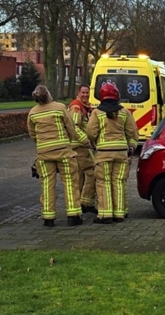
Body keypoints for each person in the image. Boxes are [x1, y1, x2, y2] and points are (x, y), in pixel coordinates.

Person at [27, 85, 83, 227]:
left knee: (47, 185)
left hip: (44, 154)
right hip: (63, 151)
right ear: (48, 94)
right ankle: (73, 215)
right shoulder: (59, 107)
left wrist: (42, 145)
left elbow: (33, 134)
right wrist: (75, 141)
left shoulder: (32, 113)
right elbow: (71, 127)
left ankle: (48, 217)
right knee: (70, 183)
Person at [87, 82, 139, 224]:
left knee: (104, 183)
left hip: (103, 154)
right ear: (117, 96)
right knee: (119, 182)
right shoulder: (125, 112)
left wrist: (95, 142)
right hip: (121, 153)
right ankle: (119, 213)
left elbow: (91, 133)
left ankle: (105, 214)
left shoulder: (97, 113)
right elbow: (133, 134)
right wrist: (132, 147)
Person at [68, 85, 97, 214]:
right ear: (78, 93)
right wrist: (86, 140)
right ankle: (86, 202)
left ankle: (77, 204)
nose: (85, 95)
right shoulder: (76, 108)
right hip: (80, 147)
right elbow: (74, 127)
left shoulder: (84, 107)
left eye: (87, 92)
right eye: (83, 93)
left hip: (78, 147)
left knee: (78, 178)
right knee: (93, 172)